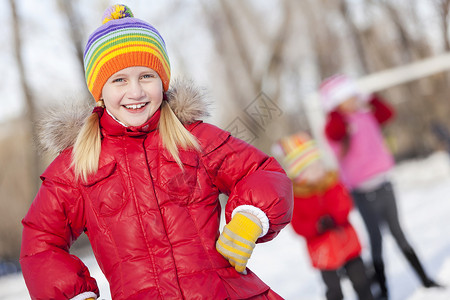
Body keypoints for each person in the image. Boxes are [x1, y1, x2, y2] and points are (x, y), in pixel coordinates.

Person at [20, 4, 293, 300]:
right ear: (99, 90)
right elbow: (41, 241)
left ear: (162, 80)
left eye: (146, 76)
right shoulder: (77, 167)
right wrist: (73, 294)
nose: (135, 92)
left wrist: (250, 216)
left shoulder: (194, 138)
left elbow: (260, 172)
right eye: (119, 80)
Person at [320, 74, 440, 299]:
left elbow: (387, 114)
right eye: (346, 97)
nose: (353, 99)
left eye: (353, 94)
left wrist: (369, 98)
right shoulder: (336, 127)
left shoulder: (365, 115)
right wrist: (336, 109)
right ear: (336, 102)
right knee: (376, 240)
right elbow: (335, 130)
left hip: (384, 184)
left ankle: (424, 279)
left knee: (399, 233)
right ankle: (383, 291)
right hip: (363, 192)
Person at [272, 132, 374, 300]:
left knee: (361, 281)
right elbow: (298, 224)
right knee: (334, 291)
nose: (318, 170)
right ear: (300, 175)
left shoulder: (332, 182)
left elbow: (345, 204)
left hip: (346, 241)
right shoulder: (296, 196)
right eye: (311, 168)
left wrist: (335, 217)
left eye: (318, 164)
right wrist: (316, 226)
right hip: (322, 250)